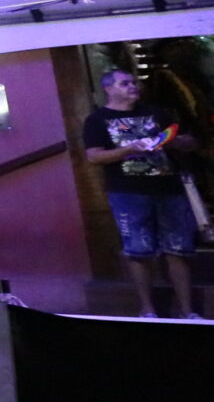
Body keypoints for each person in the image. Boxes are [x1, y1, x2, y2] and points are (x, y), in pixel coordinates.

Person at [80, 68, 204, 318]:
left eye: (134, 82)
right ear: (109, 89)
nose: (132, 86)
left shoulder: (156, 112)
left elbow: (189, 141)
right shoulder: (97, 120)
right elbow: (93, 156)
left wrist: (179, 143)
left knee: (178, 249)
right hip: (128, 192)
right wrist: (127, 149)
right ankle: (147, 309)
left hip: (169, 188)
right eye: (125, 83)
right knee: (137, 250)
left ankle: (187, 311)